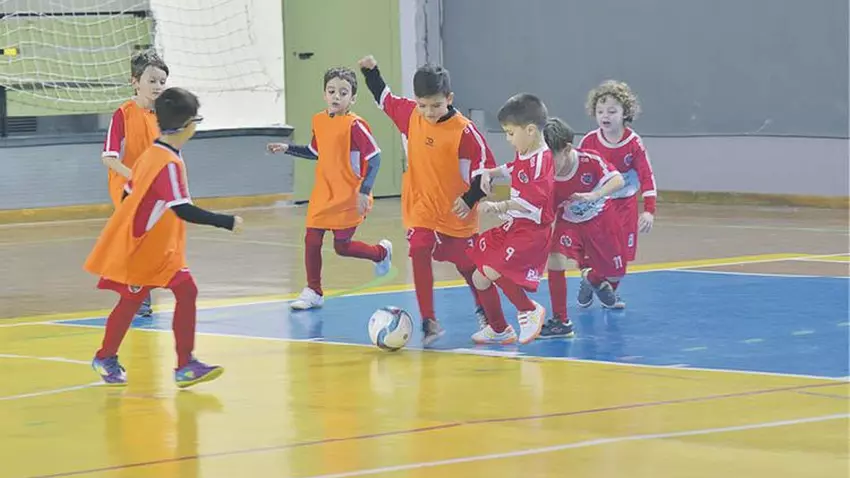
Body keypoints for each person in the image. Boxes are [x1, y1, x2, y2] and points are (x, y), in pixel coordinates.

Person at [84, 87, 242, 388]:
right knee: (134, 301)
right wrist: (226, 221)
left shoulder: (152, 154)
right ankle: (108, 357)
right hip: (143, 250)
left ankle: (183, 364)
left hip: (157, 248)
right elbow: (183, 209)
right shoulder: (167, 163)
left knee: (181, 292)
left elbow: (129, 194)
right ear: (187, 126)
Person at [358, 54, 496, 345]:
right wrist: (371, 71)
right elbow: (384, 98)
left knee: (467, 265)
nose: (429, 112)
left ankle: (486, 311)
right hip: (421, 206)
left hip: (456, 211)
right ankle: (428, 320)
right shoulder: (411, 115)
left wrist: (469, 198)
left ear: (449, 99)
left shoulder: (465, 132)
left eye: (436, 105)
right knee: (419, 249)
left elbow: (486, 175)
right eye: (422, 105)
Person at [267, 67, 391, 310]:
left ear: (352, 98)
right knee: (312, 239)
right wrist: (287, 148)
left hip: (350, 196)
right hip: (324, 194)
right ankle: (313, 291)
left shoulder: (355, 126)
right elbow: (315, 151)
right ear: (324, 94)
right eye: (331, 91)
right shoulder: (319, 120)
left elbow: (375, 158)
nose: (336, 96)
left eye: (343, 93)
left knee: (342, 247)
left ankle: (381, 253)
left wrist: (364, 191)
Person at [466, 93, 554, 345]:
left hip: (531, 232)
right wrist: (490, 172)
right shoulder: (526, 151)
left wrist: (498, 206)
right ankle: (499, 329)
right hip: (513, 225)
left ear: (530, 130)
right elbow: (514, 167)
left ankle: (529, 309)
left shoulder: (542, 161)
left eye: (510, 133)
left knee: (493, 270)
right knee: (480, 277)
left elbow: (532, 203)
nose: (508, 139)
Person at [540, 117, 626, 339]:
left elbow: (618, 180)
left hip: (601, 219)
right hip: (569, 223)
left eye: (550, 158)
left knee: (614, 272)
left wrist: (595, 194)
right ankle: (561, 320)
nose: (546, 164)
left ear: (567, 149)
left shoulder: (590, 160)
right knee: (555, 257)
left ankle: (592, 278)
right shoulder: (545, 177)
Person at [100, 50, 170, 318]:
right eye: (152, 81)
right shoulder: (123, 114)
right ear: (135, 82)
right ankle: (137, 296)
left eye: (162, 81)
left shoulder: (165, 115)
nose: (158, 86)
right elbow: (108, 157)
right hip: (126, 184)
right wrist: (135, 176)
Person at [577, 80, 657, 309]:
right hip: (597, 207)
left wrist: (649, 210)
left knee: (620, 259)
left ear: (625, 113)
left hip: (625, 207)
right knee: (596, 252)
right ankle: (595, 282)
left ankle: (598, 284)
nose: (606, 116)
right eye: (600, 111)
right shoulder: (589, 141)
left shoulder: (634, 143)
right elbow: (578, 174)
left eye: (612, 111)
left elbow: (647, 176)